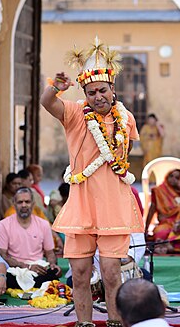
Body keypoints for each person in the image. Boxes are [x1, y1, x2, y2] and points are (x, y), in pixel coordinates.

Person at [40, 37, 144, 327]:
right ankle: (84, 324)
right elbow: (47, 102)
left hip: (113, 207)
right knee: (81, 274)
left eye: (102, 90)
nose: (98, 96)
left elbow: (126, 153)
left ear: (113, 89)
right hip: (81, 206)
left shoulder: (127, 118)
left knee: (111, 273)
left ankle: (114, 322)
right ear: (84, 94)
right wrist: (55, 88)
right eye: (91, 92)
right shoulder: (74, 112)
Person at [0, 187, 62, 289]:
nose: (24, 205)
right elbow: (2, 256)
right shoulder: (3, 225)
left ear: (33, 204)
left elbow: (50, 253)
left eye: (27, 202)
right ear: (14, 204)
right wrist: (27, 267)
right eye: (20, 202)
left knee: (52, 276)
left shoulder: (43, 224)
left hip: (38, 269)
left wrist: (53, 264)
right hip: (15, 270)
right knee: (4, 277)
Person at [145, 169, 180, 254]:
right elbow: (152, 210)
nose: (173, 179)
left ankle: (168, 244)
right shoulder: (158, 191)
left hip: (179, 225)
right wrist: (146, 229)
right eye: (171, 176)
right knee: (161, 232)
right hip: (165, 223)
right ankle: (169, 245)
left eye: (177, 177)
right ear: (167, 176)